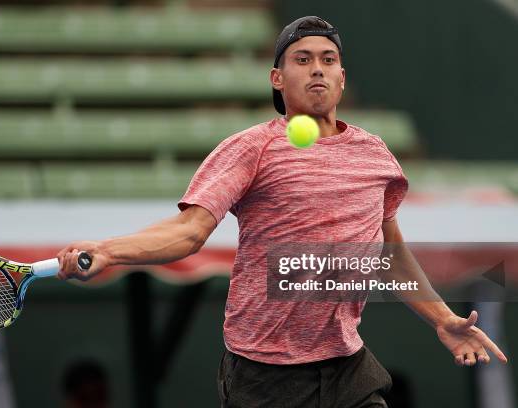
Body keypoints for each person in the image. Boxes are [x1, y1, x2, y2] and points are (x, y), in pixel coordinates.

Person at [57, 16, 507, 408]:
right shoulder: (250, 148)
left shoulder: (376, 155)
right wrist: (109, 251)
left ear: (343, 78)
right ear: (277, 78)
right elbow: (189, 231)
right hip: (263, 374)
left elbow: (389, 251)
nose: (317, 69)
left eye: (329, 60)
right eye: (303, 58)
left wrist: (443, 318)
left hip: (347, 367)